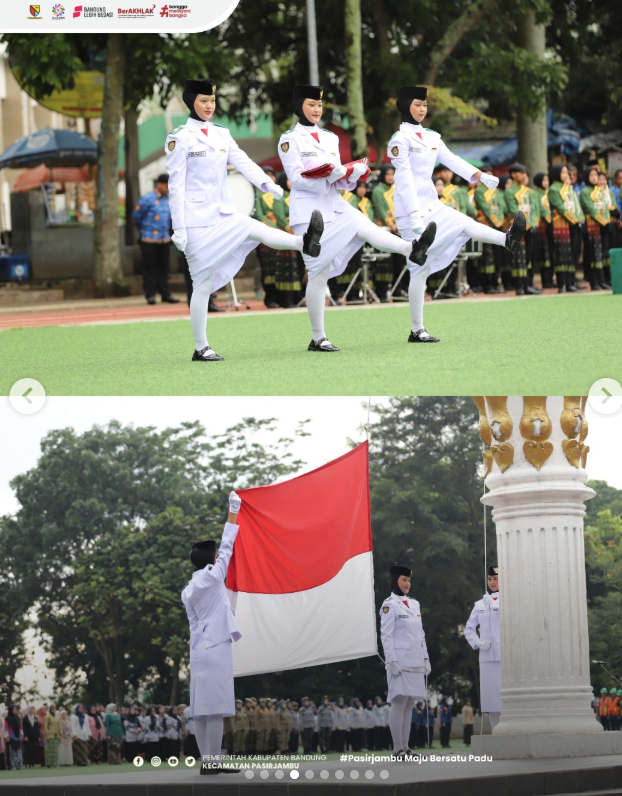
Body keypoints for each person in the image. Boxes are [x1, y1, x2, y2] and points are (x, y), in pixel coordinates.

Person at [166, 79, 324, 362]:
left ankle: (304, 243)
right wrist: (178, 228)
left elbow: (244, 162)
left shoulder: (221, 134)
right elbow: (175, 186)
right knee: (202, 284)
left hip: (224, 213)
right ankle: (201, 347)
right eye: (203, 101)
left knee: (257, 229)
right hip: (195, 221)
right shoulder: (180, 138)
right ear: (191, 102)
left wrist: (268, 184)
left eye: (212, 101)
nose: (209, 106)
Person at [279, 84, 433, 352]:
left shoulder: (330, 138)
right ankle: (318, 337)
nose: (316, 110)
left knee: (365, 226)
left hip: (335, 204)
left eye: (319, 105)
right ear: (298, 106)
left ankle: (411, 248)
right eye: (311, 104)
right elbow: (296, 180)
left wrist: (352, 174)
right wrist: (331, 175)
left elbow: (340, 181)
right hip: (308, 212)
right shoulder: (289, 139)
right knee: (318, 273)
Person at [389, 86, 525, 342]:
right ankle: (417, 329)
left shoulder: (431, 136)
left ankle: (507, 240)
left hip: (432, 203)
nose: (422, 109)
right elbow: (404, 179)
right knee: (418, 268)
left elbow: (452, 160)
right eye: (417, 104)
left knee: (464, 222)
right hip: (410, 208)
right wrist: (414, 214)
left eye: (425, 105)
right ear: (406, 106)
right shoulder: (399, 140)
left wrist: (481, 176)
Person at [182, 491, 243, 775]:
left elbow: (193, 624)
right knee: (215, 708)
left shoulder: (187, 590)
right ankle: (213, 762)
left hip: (198, 650)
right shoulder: (215, 575)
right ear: (212, 559)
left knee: (201, 709)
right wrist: (233, 511)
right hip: (216, 645)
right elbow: (228, 543)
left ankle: (207, 761)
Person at [380, 564, 430, 758]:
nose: (408, 583)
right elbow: (386, 636)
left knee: (410, 703)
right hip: (399, 661)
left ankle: (406, 747)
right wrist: (391, 660)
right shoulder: (389, 605)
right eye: (404, 579)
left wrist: (426, 658)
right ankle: (397, 748)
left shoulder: (415, 604)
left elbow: (421, 634)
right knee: (399, 701)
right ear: (395, 580)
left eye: (409, 580)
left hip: (416, 659)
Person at [464, 565, 502, 730]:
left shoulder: (509, 601)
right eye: (489, 579)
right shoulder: (479, 604)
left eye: (495, 578)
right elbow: (469, 628)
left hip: (503, 656)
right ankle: (496, 733)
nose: (492, 582)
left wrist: (494, 605)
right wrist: (478, 642)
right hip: (486, 657)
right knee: (491, 700)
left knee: (504, 698)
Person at [132, 174, 180, 305]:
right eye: (166, 185)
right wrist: (144, 230)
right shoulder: (147, 199)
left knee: (163, 267)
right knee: (149, 267)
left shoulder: (170, 199)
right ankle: (150, 294)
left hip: (164, 239)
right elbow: (136, 217)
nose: (168, 188)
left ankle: (165, 294)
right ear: (159, 184)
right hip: (148, 239)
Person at [504, 163, 541, 295]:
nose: (524, 176)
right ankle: (519, 286)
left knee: (529, 257)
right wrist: (527, 224)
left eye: (525, 173)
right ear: (514, 175)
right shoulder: (509, 192)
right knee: (519, 258)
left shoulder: (529, 192)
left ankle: (528, 284)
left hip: (531, 229)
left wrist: (533, 223)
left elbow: (535, 209)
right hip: (518, 229)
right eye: (522, 173)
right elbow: (515, 211)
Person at [547, 164, 580, 293]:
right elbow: (560, 208)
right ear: (556, 174)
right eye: (563, 172)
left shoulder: (568, 188)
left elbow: (575, 205)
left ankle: (571, 282)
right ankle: (562, 284)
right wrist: (574, 220)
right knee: (561, 254)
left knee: (571, 254)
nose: (566, 175)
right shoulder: (553, 189)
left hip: (572, 224)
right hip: (560, 225)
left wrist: (579, 219)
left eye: (567, 172)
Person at [371, 164, 403, 299]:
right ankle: (381, 292)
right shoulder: (378, 191)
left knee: (399, 262)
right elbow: (381, 210)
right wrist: (392, 225)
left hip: (399, 231)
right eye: (388, 174)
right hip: (385, 231)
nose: (391, 177)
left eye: (393, 174)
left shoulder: (397, 189)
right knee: (384, 263)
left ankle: (398, 291)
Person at [273, 172, 304, 308]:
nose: (291, 183)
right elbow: (280, 217)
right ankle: (287, 299)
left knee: (300, 268)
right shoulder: (280, 197)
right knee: (288, 268)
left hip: (301, 236)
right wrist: (292, 231)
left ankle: (299, 297)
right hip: (288, 237)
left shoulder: (299, 196)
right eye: (288, 180)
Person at [474, 169, 506, 294]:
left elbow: (501, 206)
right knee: (487, 255)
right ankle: (487, 284)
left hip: (498, 225)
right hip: (485, 225)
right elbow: (485, 208)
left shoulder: (496, 191)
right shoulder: (479, 191)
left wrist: (500, 222)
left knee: (497, 254)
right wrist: (496, 221)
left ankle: (496, 282)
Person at [254, 166, 283, 308]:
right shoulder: (257, 194)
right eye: (267, 175)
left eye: (272, 175)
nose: (271, 178)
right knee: (268, 268)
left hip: (283, 232)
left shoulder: (279, 192)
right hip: (267, 233)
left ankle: (283, 297)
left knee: (282, 267)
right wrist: (274, 226)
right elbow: (259, 215)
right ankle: (270, 297)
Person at [579, 166, 608, 290]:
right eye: (592, 175)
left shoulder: (600, 190)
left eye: (596, 175)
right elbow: (591, 209)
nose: (595, 178)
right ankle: (594, 282)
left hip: (602, 226)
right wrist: (603, 222)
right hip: (591, 226)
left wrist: (606, 221)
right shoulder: (585, 192)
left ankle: (602, 280)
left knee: (601, 254)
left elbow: (605, 207)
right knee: (592, 254)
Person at [532, 173, 554, 288]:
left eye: (547, 180)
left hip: (552, 225)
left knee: (552, 252)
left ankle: (551, 279)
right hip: (542, 226)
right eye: (544, 180)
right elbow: (540, 208)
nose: (546, 182)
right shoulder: (536, 194)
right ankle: (545, 280)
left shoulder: (550, 193)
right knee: (544, 253)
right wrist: (548, 218)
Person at [5, 705, 23, 770]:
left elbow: (20, 727)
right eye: (13, 709)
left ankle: (18, 765)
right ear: (10, 710)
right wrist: (7, 736)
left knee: (18, 751)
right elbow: (6, 728)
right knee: (12, 752)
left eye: (16, 709)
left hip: (18, 736)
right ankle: (12, 766)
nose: (15, 710)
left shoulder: (18, 718)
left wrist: (22, 735)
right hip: (11, 736)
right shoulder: (7, 719)